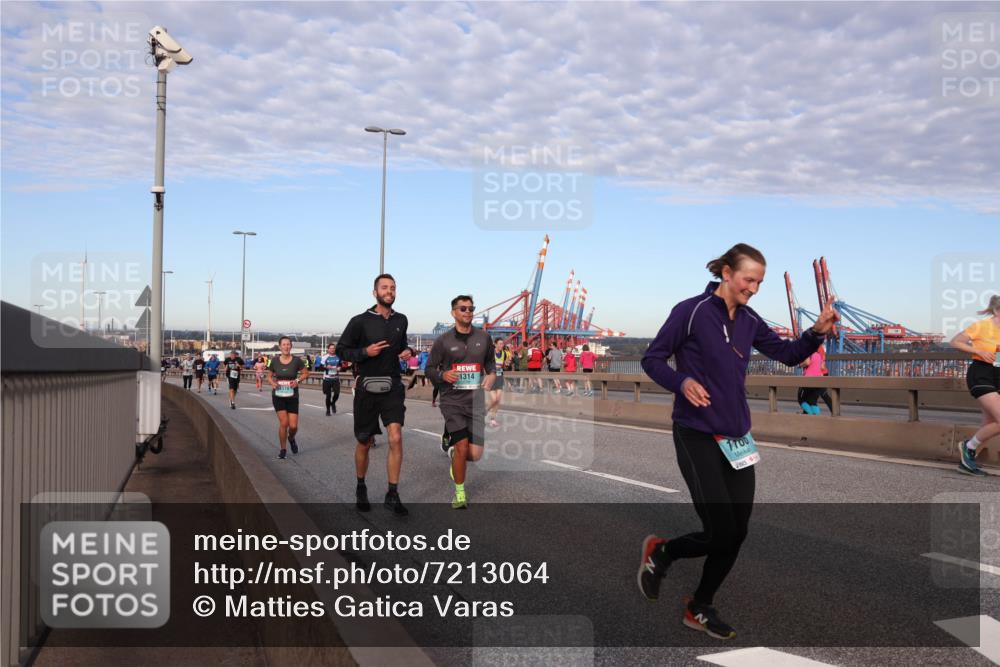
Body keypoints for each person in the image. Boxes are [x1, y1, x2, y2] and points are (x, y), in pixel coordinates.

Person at [638, 243, 838, 640]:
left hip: (737, 438)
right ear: (727, 272)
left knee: (737, 531)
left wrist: (816, 332)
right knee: (718, 531)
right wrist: (682, 382)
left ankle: (699, 605)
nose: (754, 288)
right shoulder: (690, 311)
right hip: (696, 432)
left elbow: (787, 354)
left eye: (760, 282)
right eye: (749, 279)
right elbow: (653, 359)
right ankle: (663, 552)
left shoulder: (749, 319)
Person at [337, 274, 412, 516]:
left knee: (396, 437)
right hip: (367, 387)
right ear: (374, 292)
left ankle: (393, 493)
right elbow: (342, 351)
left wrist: (408, 351)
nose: (389, 291)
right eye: (384, 287)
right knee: (364, 441)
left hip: (392, 386)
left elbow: (402, 346)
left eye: (392, 288)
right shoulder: (359, 321)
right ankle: (361, 486)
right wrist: (365, 352)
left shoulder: (401, 319)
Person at [425, 295, 496, 509]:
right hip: (452, 401)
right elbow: (429, 369)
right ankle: (459, 494)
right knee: (463, 444)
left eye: (471, 308)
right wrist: (443, 376)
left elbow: (491, 364)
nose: (467, 312)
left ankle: (455, 453)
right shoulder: (443, 340)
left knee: (474, 454)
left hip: (475, 402)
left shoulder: (484, 338)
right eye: (463, 308)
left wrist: (492, 375)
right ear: (453, 312)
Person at [950, 294, 1000, 476]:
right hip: (981, 374)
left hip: (998, 375)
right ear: (996, 310)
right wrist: (978, 350)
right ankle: (967, 446)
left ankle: (967, 462)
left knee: (991, 424)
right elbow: (955, 341)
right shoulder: (981, 326)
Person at [268, 336, 310, 459]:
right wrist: (273, 383)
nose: (286, 347)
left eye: (288, 344)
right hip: (278, 395)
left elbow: (306, 373)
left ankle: (291, 438)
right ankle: (283, 449)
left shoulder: (297, 361)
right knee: (284, 423)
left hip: (292, 395)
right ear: (280, 346)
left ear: (291, 346)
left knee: (293, 426)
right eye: (284, 344)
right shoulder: (274, 361)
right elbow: (269, 376)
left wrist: (297, 380)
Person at [797, 345, 830, 414]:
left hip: (808, 379)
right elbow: (822, 367)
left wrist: (800, 365)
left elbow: (807, 362)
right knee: (812, 401)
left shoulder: (808, 353)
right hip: (817, 379)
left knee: (801, 399)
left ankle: (811, 414)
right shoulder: (818, 355)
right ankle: (817, 417)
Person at [487, 337, 511, 427]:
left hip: (500, 377)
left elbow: (504, 367)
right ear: (495, 344)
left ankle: (492, 420)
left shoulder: (504, 353)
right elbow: (485, 365)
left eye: (502, 344)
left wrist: (506, 364)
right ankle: (485, 411)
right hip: (491, 378)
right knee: (494, 400)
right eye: (500, 343)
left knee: (498, 400)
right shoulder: (490, 353)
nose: (502, 345)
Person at [320, 343, 342, 416]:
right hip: (327, 379)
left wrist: (340, 368)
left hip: (336, 378)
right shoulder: (325, 357)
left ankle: (333, 403)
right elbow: (321, 367)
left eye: (333, 348)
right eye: (331, 348)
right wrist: (326, 366)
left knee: (337, 394)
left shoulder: (338, 357)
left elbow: (341, 366)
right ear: (328, 349)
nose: (332, 349)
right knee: (328, 396)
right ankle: (328, 410)